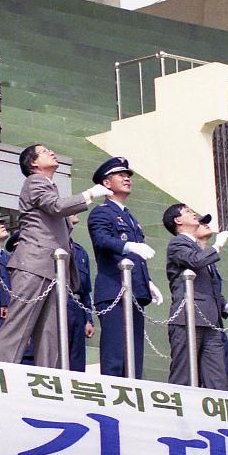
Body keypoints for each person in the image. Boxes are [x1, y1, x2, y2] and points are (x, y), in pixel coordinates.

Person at [0, 143, 110, 367]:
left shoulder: (49, 185)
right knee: (19, 326)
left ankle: (46, 378)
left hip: (52, 268)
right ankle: (1, 370)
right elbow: (56, 207)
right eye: (44, 151)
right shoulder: (35, 181)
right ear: (33, 163)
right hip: (34, 263)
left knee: (50, 333)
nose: (51, 152)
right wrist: (89, 194)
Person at [87, 157, 161, 379]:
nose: (127, 178)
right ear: (106, 183)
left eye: (127, 175)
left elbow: (137, 257)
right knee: (115, 355)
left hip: (134, 291)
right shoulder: (101, 212)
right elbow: (102, 240)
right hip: (113, 290)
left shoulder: (130, 217)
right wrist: (129, 245)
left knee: (134, 357)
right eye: (120, 175)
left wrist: (146, 281)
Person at [163, 204, 228, 389]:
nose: (194, 213)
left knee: (217, 379)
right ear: (178, 220)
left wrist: (223, 304)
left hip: (210, 321)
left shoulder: (197, 247)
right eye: (188, 212)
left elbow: (207, 284)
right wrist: (217, 246)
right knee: (184, 376)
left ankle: (217, 416)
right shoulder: (178, 243)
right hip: (187, 318)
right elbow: (195, 261)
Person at [67, 213, 94, 373]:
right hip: (58, 305)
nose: (76, 212)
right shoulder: (54, 246)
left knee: (77, 359)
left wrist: (88, 319)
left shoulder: (80, 251)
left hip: (77, 308)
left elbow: (85, 290)